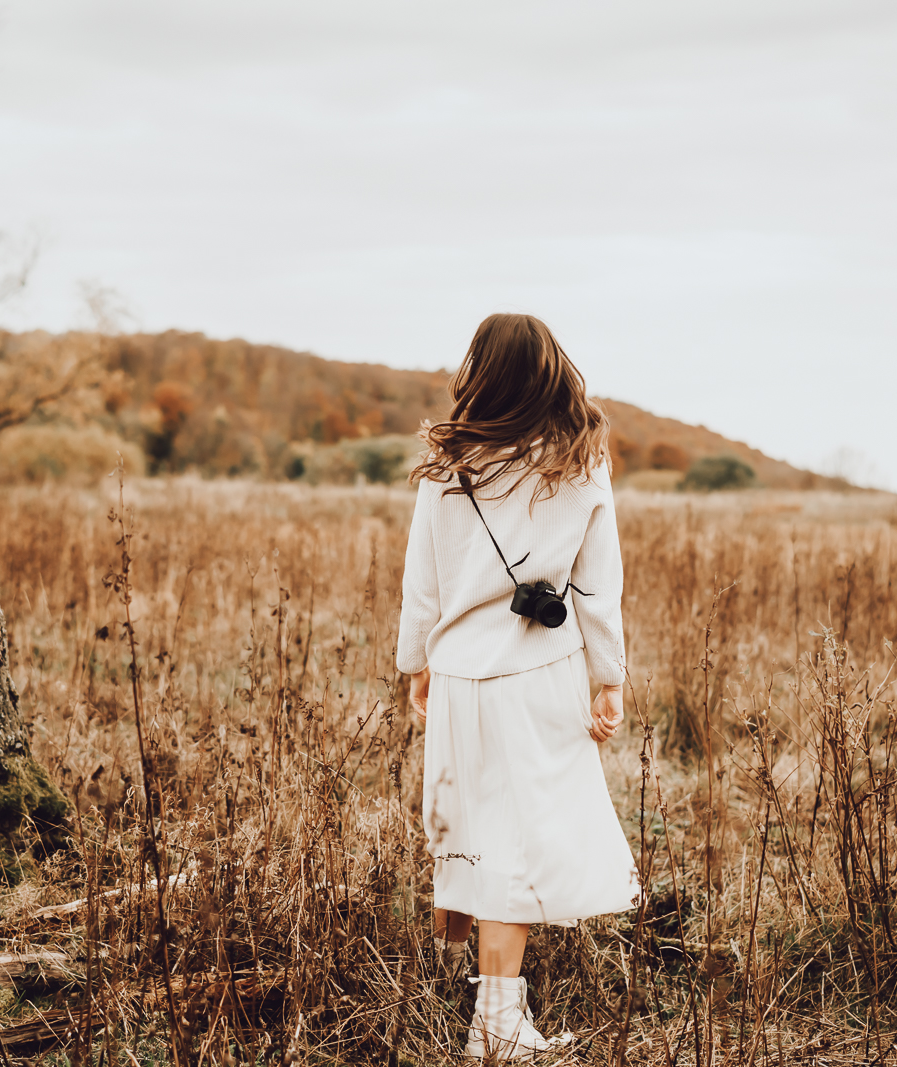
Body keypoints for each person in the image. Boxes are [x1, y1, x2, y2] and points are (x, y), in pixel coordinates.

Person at [397, 312, 639, 1060]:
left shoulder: (448, 468)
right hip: (540, 672)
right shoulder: (578, 462)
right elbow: (599, 588)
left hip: (462, 674)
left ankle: (470, 1004)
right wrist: (608, 678)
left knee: (468, 833)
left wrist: (417, 666)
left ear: (480, 371)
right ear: (550, 371)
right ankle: (497, 1022)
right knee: (523, 843)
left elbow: (423, 586)